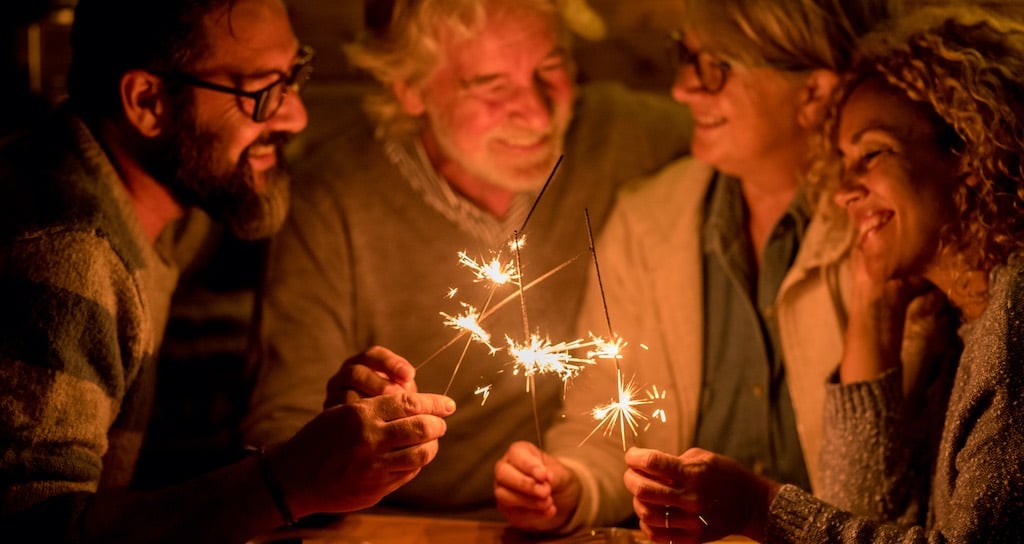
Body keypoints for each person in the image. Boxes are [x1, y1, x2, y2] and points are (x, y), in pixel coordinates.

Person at [0, 0, 454, 542]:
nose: (296, 116)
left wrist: (316, 458)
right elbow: (36, 530)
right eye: (261, 92)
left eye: (294, 76)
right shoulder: (69, 256)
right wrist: (287, 484)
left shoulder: (170, 214)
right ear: (148, 102)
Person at [492, 0, 949, 534]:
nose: (683, 89)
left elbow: (886, 496)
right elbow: (602, 429)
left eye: (715, 68)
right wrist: (569, 485)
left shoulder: (888, 235)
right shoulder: (649, 220)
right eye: (684, 57)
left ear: (814, 91)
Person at [241, 0, 693, 519]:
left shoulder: (623, 136)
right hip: (392, 524)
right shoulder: (332, 199)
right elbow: (281, 432)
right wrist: (339, 447)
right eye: (492, 85)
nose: (538, 111)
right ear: (410, 88)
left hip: (578, 510)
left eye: (550, 69)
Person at [622, 6, 1024, 542]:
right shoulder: (963, 325)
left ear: (971, 152)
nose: (844, 190)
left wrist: (761, 507)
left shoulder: (1014, 321)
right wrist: (871, 307)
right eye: (843, 160)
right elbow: (870, 515)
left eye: (873, 153)